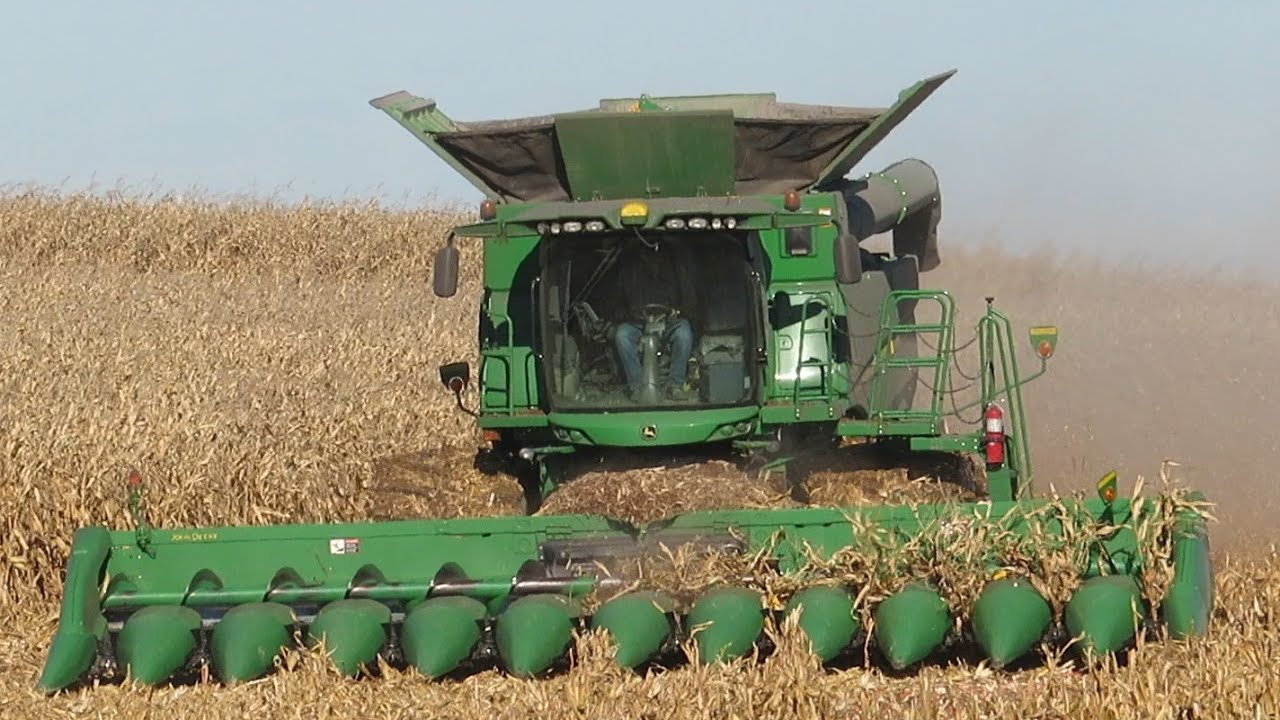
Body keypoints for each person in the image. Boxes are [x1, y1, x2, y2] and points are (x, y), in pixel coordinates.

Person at [611, 237, 698, 400]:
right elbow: (617, 306)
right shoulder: (629, 273)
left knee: (684, 333)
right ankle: (636, 386)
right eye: (647, 252)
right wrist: (631, 313)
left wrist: (677, 311)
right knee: (621, 335)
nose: (653, 257)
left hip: (670, 322)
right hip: (637, 324)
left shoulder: (676, 270)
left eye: (657, 252)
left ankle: (675, 385)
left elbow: (690, 301)